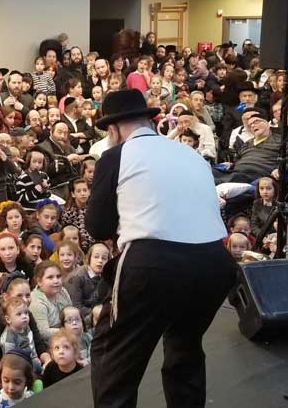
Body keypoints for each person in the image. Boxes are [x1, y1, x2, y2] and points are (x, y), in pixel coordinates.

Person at [85, 89, 236, 408]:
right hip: (214, 263)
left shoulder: (116, 156)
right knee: (185, 347)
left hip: (153, 263)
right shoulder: (190, 154)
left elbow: (97, 226)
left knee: (115, 356)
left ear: (113, 130)